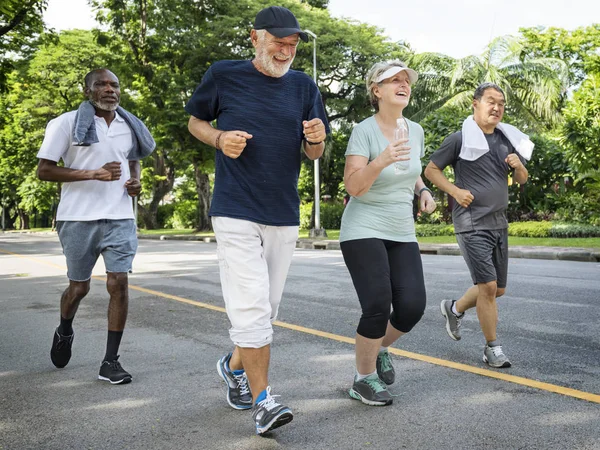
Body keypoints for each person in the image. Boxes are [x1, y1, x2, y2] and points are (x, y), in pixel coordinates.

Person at [185, 6, 330, 435]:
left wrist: (317, 141)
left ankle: (233, 368)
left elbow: (314, 152)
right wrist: (218, 138)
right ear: (255, 38)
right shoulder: (223, 74)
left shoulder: (305, 86)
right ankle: (264, 401)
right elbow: (196, 120)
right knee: (250, 307)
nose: (286, 51)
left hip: (283, 212)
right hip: (234, 208)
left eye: (293, 44)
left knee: (266, 311)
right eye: (278, 43)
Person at [37, 68, 155, 384]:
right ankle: (64, 330)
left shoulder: (129, 125)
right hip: (77, 218)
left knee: (118, 282)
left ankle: (110, 361)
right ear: (87, 90)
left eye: (114, 84)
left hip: (120, 217)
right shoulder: (64, 124)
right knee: (80, 287)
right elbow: (44, 171)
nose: (109, 89)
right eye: (101, 84)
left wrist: (136, 183)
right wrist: (92, 174)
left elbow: (132, 159)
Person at [340, 61, 436, 406]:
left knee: (411, 307)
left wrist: (422, 191)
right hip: (362, 227)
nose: (402, 84)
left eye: (405, 79)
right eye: (393, 80)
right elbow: (354, 186)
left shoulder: (416, 130)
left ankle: (377, 349)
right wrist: (379, 160)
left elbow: (410, 171)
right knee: (378, 304)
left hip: (401, 229)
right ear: (376, 91)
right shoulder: (363, 131)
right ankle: (362, 379)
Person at [424, 82, 530, 368]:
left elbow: (522, 179)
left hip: (499, 223)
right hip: (471, 223)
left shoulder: (506, 140)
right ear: (476, 104)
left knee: (497, 290)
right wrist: (456, 192)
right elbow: (431, 170)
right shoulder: (459, 139)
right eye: (491, 101)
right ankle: (492, 348)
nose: (497, 108)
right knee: (488, 286)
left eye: (501, 103)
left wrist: (518, 165)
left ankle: (454, 308)